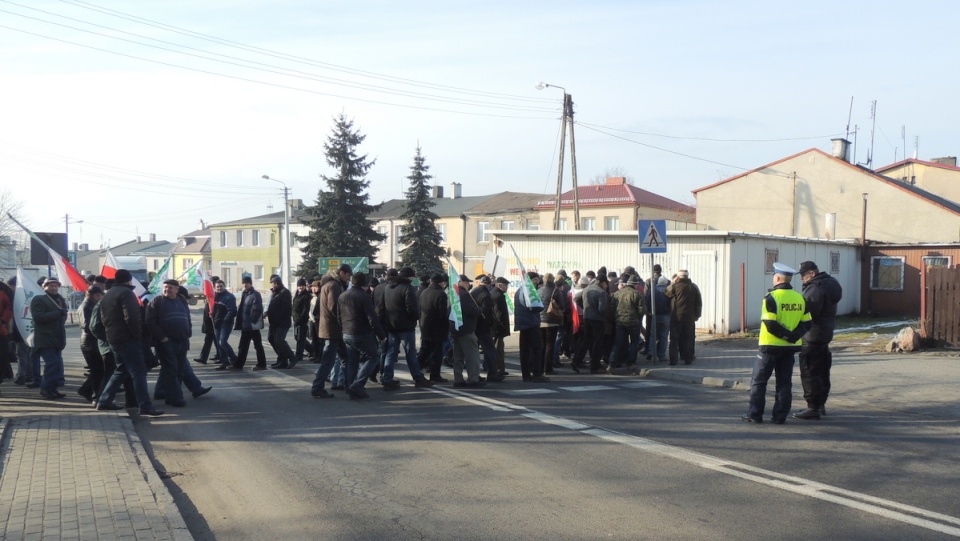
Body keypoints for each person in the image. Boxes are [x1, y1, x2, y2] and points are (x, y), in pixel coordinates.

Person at [742, 263, 812, 425]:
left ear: (778, 278)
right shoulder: (800, 298)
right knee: (784, 383)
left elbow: (770, 324)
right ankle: (780, 416)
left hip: (769, 347)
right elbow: (807, 323)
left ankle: (755, 415)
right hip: (789, 349)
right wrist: (794, 336)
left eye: (774, 276)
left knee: (759, 382)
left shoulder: (771, 298)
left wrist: (786, 336)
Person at [96, 269, 164, 416]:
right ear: (129, 281)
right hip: (128, 338)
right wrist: (137, 335)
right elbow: (132, 317)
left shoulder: (108, 295)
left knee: (121, 370)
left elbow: (103, 318)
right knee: (138, 372)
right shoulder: (126, 293)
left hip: (113, 337)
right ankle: (145, 406)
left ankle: (104, 401)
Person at [793, 260, 843, 420]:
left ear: (812, 274)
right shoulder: (831, 283)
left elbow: (808, 312)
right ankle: (820, 404)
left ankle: (812, 407)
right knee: (822, 370)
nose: (802, 279)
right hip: (825, 333)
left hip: (812, 335)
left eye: (803, 276)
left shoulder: (815, 288)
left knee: (810, 371)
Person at [378, 266, 433, 389]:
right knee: (411, 353)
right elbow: (411, 308)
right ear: (409, 276)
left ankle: (387, 379)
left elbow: (382, 307)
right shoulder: (408, 288)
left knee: (391, 353)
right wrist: (415, 318)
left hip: (391, 326)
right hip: (406, 326)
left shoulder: (387, 287)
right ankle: (418, 378)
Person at [338, 272, 386, 399]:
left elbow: (338, 316)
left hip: (346, 332)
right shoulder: (364, 297)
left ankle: (350, 388)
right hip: (361, 333)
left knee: (352, 361)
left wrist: (342, 329)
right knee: (373, 357)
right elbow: (372, 319)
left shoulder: (342, 296)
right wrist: (381, 335)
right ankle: (357, 385)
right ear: (364, 284)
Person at [146, 280, 194, 406]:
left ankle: (170, 395)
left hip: (182, 340)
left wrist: (188, 332)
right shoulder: (157, 301)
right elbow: (150, 322)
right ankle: (176, 398)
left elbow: (187, 317)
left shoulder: (182, 301)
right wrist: (162, 338)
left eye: (170, 287)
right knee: (171, 369)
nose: (167, 289)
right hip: (166, 342)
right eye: (165, 287)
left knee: (179, 369)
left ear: (177, 290)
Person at [310, 264, 352, 399]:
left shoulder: (328, 284)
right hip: (333, 329)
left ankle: (349, 385)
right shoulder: (333, 285)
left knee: (344, 357)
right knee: (329, 360)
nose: (349, 278)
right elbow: (334, 307)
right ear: (341, 273)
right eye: (348, 275)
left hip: (331, 328)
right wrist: (344, 320)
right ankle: (317, 387)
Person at [30, 277, 69, 400]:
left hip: (57, 338)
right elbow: (38, 317)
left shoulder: (60, 299)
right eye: (51, 286)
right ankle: (46, 389)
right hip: (45, 339)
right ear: (44, 287)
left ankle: (52, 389)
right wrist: (58, 313)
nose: (54, 288)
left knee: (56, 365)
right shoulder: (39, 299)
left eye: (56, 286)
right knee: (52, 364)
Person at [451, 274, 484, 387]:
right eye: (467, 282)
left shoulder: (453, 294)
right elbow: (470, 310)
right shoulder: (464, 295)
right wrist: (480, 309)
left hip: (456, 328)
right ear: (461, 282)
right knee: (472, 356)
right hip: (466, 329)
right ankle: (473, 379)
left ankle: (458, 379)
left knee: (458, 357)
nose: (469, 284)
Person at [514, 271, 548, 382]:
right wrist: (541, 306)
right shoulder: (528, 291)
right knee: (536, 348)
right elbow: (533, 307)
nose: (537, 282)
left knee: (525, 350)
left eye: (538, 279)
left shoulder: (519, 290)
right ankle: (537, 373)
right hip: (531, 323)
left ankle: (526, 374)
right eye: (535, 279)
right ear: (529, 280)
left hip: (523, 323)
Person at [665, 269, 702, 365]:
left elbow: (666, 292)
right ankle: (688, 359)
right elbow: (698, 303)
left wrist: (673, 282)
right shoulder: (694, 287)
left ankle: (673, 360)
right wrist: (697, 315)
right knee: (688, 338)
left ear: (678, 277)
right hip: (690, 317)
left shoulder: (675, 286)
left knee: (674, 338)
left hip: (677, 315)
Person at [572, 273, 608, 373]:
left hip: (587, 317)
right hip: (598, 319)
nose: (606, 286)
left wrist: (585, 308)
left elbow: (576, 298)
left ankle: (576, 361)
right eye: (606, 284)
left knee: (586, 341)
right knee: (597, 342)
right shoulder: (602, 292)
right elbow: (602, 309)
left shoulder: (587, 288)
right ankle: (595, 366)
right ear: (603, 282)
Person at [609, 274, 644, 372]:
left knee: (618, 343)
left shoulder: (617, 293)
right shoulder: (637, 294)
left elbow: (612, 308)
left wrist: (616, 317)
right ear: (636, 285)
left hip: (620, 322)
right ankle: (631, 364)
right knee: (634, 343)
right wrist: (639, 319)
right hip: (633, 323)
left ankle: (612, 364)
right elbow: (642, 310)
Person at [76, 285, 105, 402]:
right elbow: (87, 325)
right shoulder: (85, 306)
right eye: (100, 296)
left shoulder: (92, 305)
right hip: (89, 342)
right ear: (95, 296)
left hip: (93, 341)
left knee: (99, 369)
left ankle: (86, 390)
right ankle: (95, 395)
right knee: (97, 369)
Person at [471, 274, 502, 382]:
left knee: (474, 352)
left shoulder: (473, 292)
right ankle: (492, 374)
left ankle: (474, 374)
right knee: (490, 351)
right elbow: (487, 312)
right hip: (484, 327)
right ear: (488, 285)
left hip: (473, 326)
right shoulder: (486, 295)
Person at [419, 273, 449, 383]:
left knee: (424, 351)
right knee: (437, 353)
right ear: (441, 282)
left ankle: (417, 371)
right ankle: (435, 375)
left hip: (425, 326)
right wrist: (446, 328)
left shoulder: (424, 292)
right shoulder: (441, 294)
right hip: (437, 328)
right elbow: (442, 314)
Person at [233, 275, 267, 370]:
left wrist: (252, 321)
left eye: (247, 283)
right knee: (243, 346)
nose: (245, 285)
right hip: (245, 325)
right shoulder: (244, 294)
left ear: (250, 283)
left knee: (257, 345)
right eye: (243, 283)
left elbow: (258, 309)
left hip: (252, 325)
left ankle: (262, 364)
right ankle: (238, 365)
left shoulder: (255, 294)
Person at [538, 273, 565, 375]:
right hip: (552, 321)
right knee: (550, 345)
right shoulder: (556, 291)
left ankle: (540, 367)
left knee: (541, 345)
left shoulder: (538, 290)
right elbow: (562, 305)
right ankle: (548, 368)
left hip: (540, 321)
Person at [194, 275, 221, 364]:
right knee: (211, 340)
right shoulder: (210, 293)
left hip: (213, 321)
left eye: (211, 282)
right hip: (209, 321)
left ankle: (218, 356)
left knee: (214, 340)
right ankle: (215, 356)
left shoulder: (216, 294)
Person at [644, 275, 671, 362]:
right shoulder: (667, 291)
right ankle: (661, 356)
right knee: (664, 336)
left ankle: (651, 352)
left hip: (654, 315)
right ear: (666, 283)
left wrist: (649, 311)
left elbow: (647, 301)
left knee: (653, 335)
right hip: (665, 315)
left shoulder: (652, 290)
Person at [212, 280, 238, 369]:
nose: (219, 288)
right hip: (217, 322)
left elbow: (233, 311)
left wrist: (225, 320)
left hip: (226, 323)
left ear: (224, 286)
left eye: (221, 286)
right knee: (218, 343)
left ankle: (234, 359)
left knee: (222, 342)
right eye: (217, 287)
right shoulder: (215, 297)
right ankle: (224, 362)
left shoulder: (229, 297)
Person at [490, 277, 511, 378]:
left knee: (499, 349)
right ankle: (497, 370)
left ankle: (500, 369)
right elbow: (499, 314)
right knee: (497, 350)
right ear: (499, 285)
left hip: (496, 328)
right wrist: (502, 328)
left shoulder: (496, 294)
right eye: (505, 285)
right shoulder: (498, 296)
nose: (507, 287)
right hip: (497, 328)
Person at [291, 278, 313, 363]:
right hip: (296, 319)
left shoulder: (306, 296)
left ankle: (299, 355)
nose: (301, 287)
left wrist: (300, 319)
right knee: (298, 337)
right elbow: (293, 307)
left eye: (302, 286)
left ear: (305, 286)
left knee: (300, 338)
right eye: (299, 286)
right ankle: (312, 350)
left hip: (302, 320)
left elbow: (305, 309)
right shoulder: (297, 295)